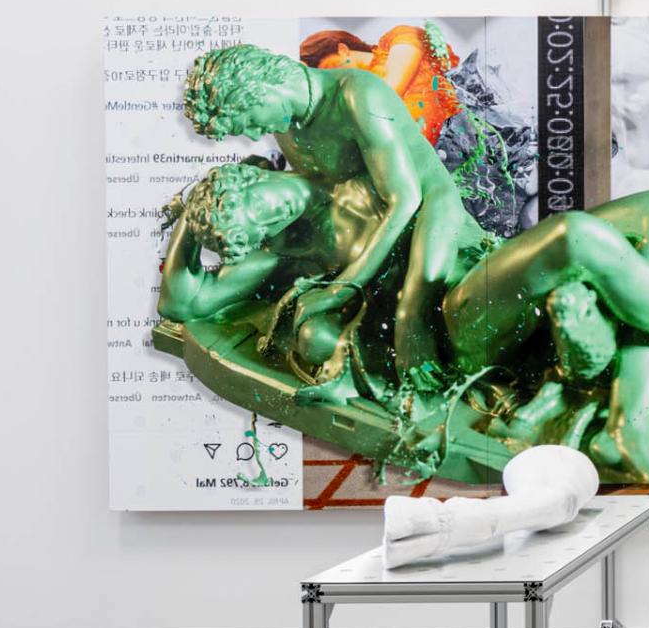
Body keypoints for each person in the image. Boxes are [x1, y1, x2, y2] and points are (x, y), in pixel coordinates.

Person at [158, 159, 649, 480]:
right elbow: (182, 305)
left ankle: (628, 415)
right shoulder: (291, 251)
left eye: (267, 202)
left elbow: (438, 195)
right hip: (450, 325)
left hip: (483, 265)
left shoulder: (342, 159)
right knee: (574, 237)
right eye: (262, 227)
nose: (278, 216)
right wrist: (190, 220)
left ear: (253, 173)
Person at [184, 43, 482, 391]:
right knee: (315, 337)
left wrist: (341, 290)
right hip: (372, 239)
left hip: (429, 217)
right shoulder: (287, 126)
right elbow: (325, 198)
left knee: (412, 321)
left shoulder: (358, 96)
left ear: (261, 89)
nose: (252, 135)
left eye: (248, 121)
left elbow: (405, 200)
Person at [300, 23, 462, 146]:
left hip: (458, 136)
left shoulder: (399, 38)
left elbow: (389, 92)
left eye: (331, 68)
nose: (336, 79)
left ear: (342, 50)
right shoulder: (355, 94)